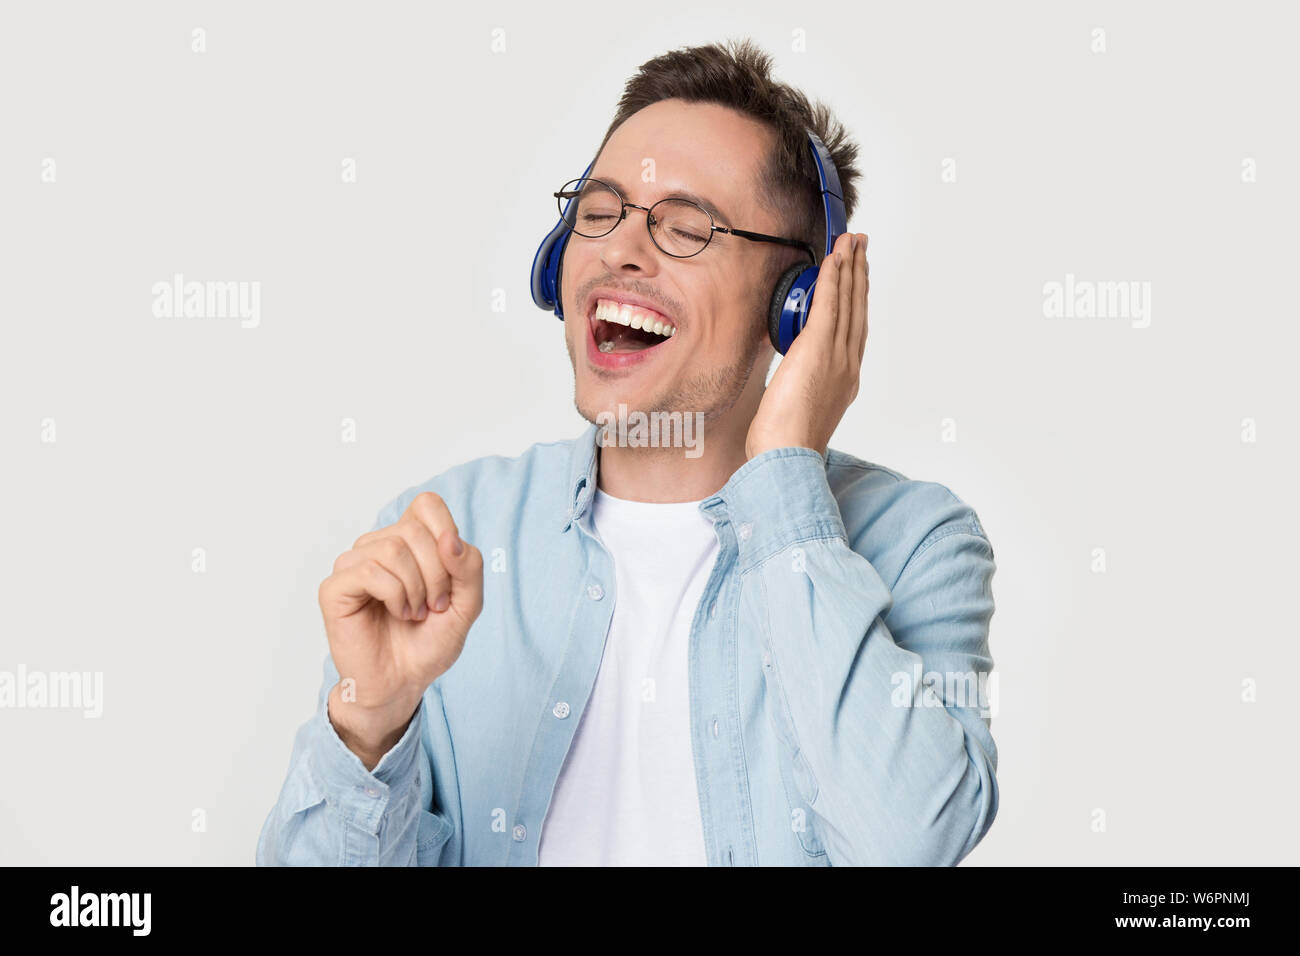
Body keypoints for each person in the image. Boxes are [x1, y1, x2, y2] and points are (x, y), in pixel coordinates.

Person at [257, 38, 998, 867]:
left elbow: (907, 842)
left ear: (797, 304)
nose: (618, 250)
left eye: (685, 228)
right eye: (600, 212)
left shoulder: (915, 543)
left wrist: (787, 473)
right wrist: (369, 723)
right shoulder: (447, 535)